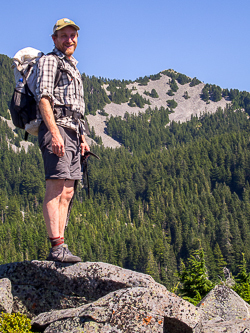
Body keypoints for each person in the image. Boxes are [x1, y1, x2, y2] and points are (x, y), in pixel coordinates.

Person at [35, 18, 90, 262]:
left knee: (67, 191)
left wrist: (82, 137)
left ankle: (62, 244)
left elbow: (76, 108)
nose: (69, 40)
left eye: (73, 35)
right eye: (64, 36)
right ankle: (56, 246)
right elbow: (44, 98)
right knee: (56, 186)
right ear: (55, 39)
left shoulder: (73, 66)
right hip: (56, 130)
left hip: (73, 132)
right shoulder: (49, 61)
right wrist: (54, 132)